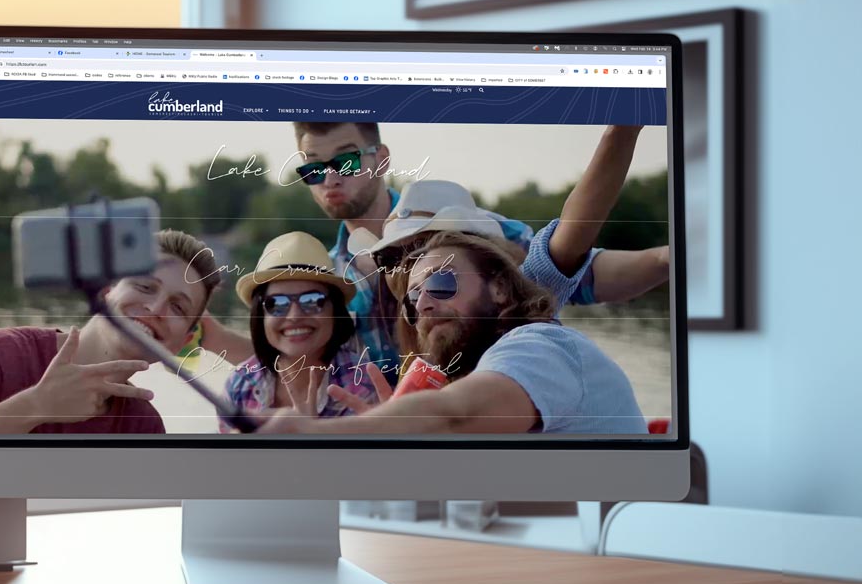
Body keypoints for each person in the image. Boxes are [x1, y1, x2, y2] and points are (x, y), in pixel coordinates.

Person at [196, 122, 670, 381]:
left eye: (343, 160)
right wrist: (204, 336)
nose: (331, 179)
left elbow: (578, 269)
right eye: (313, 171)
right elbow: (305, 364)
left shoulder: (463, 231)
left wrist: (675, 259)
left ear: (380, 159)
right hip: (411, 436)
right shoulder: (331, 276)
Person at [252, 231, 647, 436]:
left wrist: (327, 434)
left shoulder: (539, 346)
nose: (422, 305)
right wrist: (389, 432)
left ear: (500, 289)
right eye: (413, 299)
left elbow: (456, 415)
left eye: (441, 285)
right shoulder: (484, 369)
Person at [0, 229, 222, 434]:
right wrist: (36, 405)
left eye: (177, 307)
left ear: (181, 343)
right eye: (145, 287)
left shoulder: (142, 425)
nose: (155, 308)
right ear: (105, 290)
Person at [221, 232, 383, 430]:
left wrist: (313, 435)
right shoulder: (240, 384)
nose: (294, 316)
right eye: (277, 303)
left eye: (312, 301)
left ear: (335, 312)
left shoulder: (362, 383)